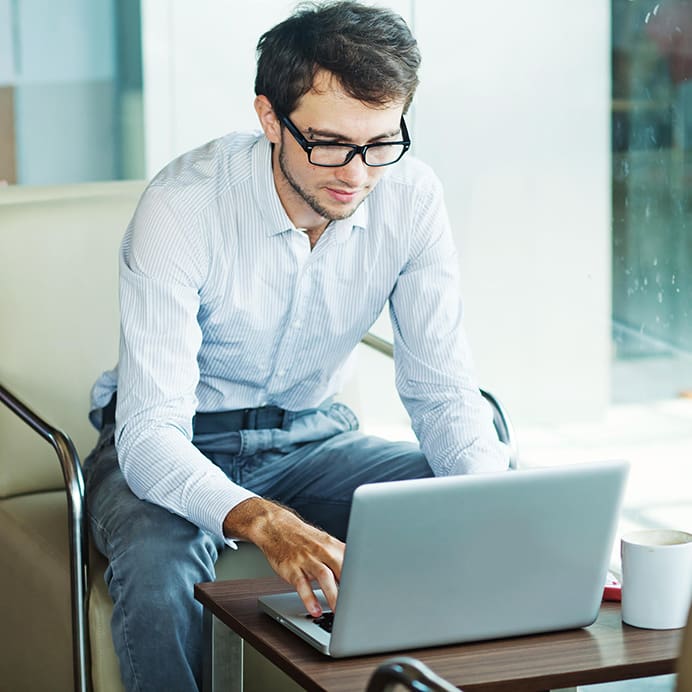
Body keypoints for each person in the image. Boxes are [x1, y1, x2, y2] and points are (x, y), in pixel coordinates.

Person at [84, 1, 509, 690]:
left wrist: (496, 507)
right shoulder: (183, 208)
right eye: (330, 143)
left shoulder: (411, 198)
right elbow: (150, 433)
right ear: (267, 118)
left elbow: (442, 394)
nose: (358, 173)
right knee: (160, 571)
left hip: (314, 441)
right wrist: (262, 521)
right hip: (179, 442)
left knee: (476, 499)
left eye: (380, 143)